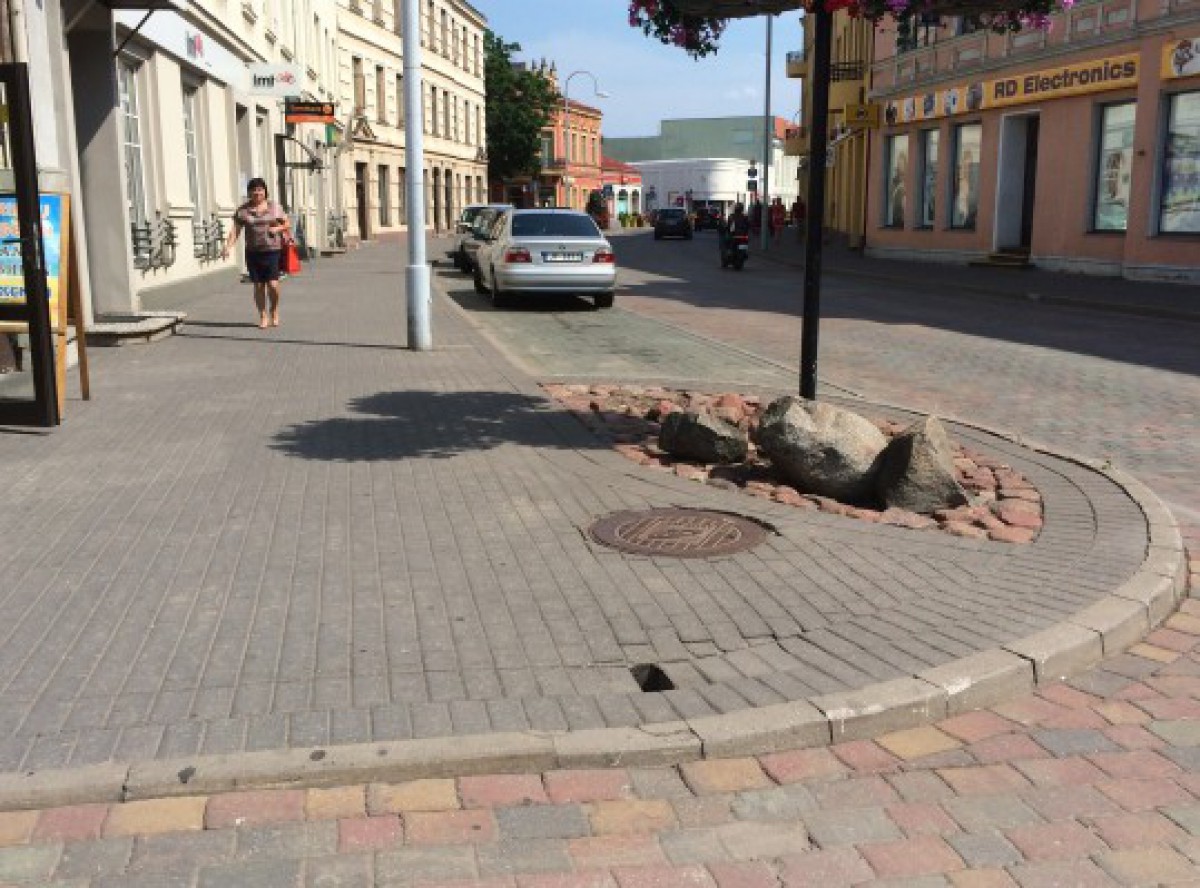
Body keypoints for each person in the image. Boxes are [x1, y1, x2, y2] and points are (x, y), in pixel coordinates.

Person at [222, 177, 291, 329]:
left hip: (272, 250)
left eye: (260, 189)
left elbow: (287, 224)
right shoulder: (243, 210)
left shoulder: (274, 207)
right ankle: (263, 315)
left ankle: (274, 310)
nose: (257, 192)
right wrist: (228, 247)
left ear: (265, 191)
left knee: (273, 285)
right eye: (253, 190)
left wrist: (277, 228)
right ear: (249, 193)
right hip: (253, 252)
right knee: (259, 286)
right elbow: (235, 231)